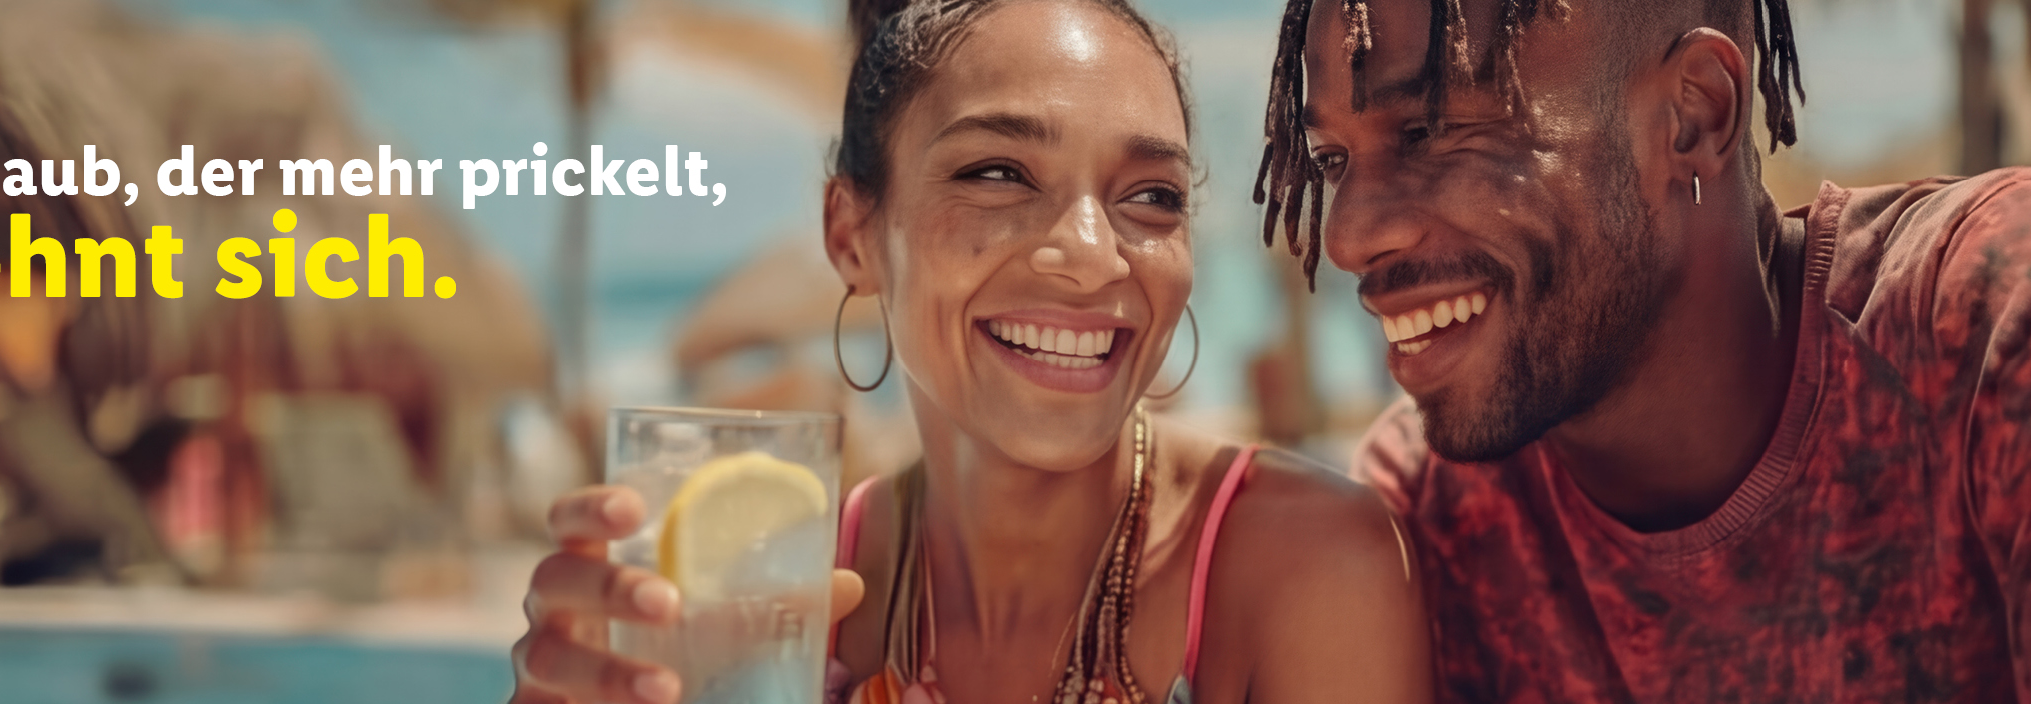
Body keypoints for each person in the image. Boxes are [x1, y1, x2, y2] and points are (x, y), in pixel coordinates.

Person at [1245, 0, 2031, 701]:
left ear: (1694, 114)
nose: (1351, 232)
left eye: (1438, 131)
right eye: (1337, 157)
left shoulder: (2017, 321)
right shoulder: (1431, 525)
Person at [510, 1, 1429, 703]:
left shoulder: (1301, 567)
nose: (1090, 255)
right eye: (997, 174)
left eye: (1151, 196)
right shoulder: (777, 594)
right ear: (851, 234)